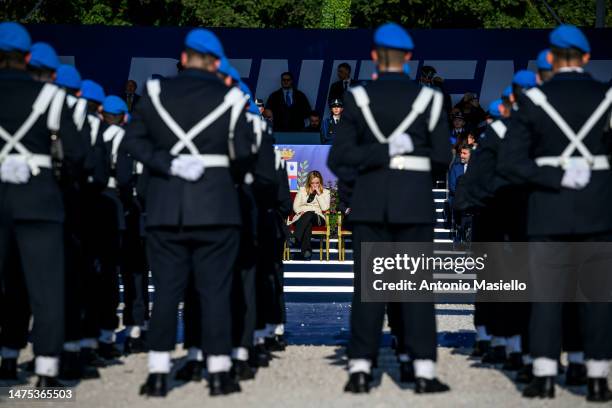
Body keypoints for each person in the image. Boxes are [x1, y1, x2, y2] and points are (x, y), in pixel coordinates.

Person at [121, 28, 255, 397]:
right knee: (215, 291)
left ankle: (159, 373)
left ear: (182, 59)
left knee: (166, 292)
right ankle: (217, 373)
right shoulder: (230, 97)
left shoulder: (154, 92)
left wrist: (168, 162)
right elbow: (244, 152)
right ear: (215, 63)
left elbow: (133, 141)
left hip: (167, 206)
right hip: (216, 206)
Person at [328, 22, 451, 394]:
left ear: (373, 58)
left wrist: (379, 154)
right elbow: (443, 159)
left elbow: (340, 157)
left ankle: (361, 370)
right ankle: (424, 370)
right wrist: (403, 154)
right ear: (409, 58)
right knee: (416, 289)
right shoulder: (430, 100)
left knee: (368, 290)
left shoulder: (357, 98)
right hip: (413, 203)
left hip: (369, 203)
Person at [498, 25, 612, 402]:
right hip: (598, 209)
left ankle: (544, 376)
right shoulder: (606, 97)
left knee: (546, 298)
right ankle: (597, 378)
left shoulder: (533, 101)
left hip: (548, 210)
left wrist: (555, 173)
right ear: (584, 58)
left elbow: (511, 162)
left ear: (552, 57)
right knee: (596, 298)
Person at [0, 22, 86, 387]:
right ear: (28, 57)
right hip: (40, 199)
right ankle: (47, 370)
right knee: (46, 287)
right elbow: (77, 155)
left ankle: (6, 357)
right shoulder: (51, 98)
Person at [288, 170, 330, 261]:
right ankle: (306, 252)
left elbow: (324, 208)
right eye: (313, 183)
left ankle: (295, 237)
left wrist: (319, 194)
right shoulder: (302, 190)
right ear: (309, 182)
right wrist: (300, 211)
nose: (315, 185)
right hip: (302, 217)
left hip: (318, 217)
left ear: (320, 182)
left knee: (310, 213)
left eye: (317, 183)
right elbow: (295, 206)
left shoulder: (325, 192)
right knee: (308, 224)